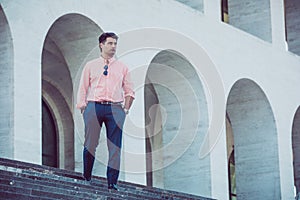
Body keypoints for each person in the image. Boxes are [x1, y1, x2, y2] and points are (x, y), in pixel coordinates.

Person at [76, 32, 134, 191]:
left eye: (115, 43)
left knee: (115, 147)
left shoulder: (123, 67)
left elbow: (130, 90)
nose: (113, 46)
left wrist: (126, 110)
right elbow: (83, 87)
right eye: (110, 43)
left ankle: (112, 183)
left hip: (115, 108)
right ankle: (86, 176)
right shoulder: (91, 65)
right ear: (101, 45)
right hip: (94, 106)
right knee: (90, 143)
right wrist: (83, 106)